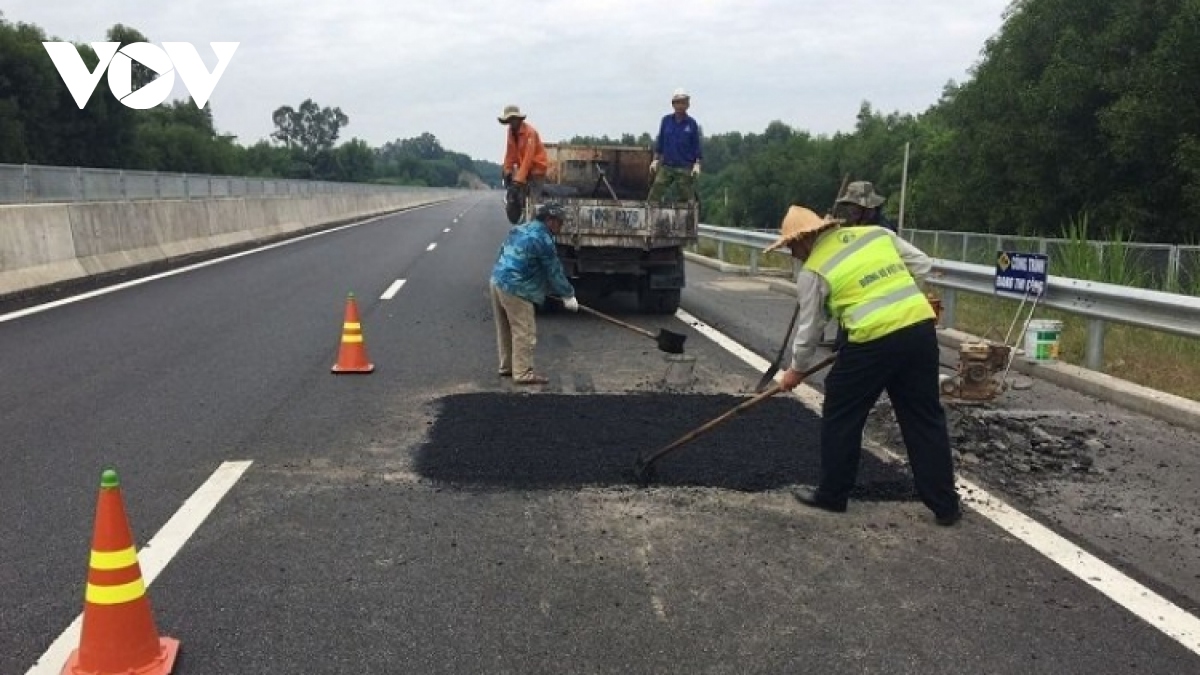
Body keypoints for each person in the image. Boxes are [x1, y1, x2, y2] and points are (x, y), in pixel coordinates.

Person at [764, 204, 962, 526]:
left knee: (842, 410)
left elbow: (810, 329)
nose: (793, 254)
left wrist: (796, 370)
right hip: (918, 331)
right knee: (924, 418)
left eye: (791, 247)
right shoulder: (876, 235)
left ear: (803, 240)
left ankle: (832, 494)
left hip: (872, 342)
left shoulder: (814, 270)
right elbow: (923, 266)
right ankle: (946, 506)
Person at [490, 201, 579, 385]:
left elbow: (501, 251)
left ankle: (507, 367)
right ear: (549, 220)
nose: (561, 226)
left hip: (497, 279)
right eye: (559, 222)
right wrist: (568, 295)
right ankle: (523, 373)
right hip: (516, 288)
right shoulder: (543, 239)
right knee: (525, 331)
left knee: (505, 328)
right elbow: (553, 271)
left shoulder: (521, 228)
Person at [647, 88, 702, 203]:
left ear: (687, 104)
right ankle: (650, 215)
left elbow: (696, 146)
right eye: (678, 102)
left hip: (684, 167)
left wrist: (697, 164)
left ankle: (689, 217)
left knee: (687, 198)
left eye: (683, 102)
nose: (680, 105)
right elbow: (660, 142)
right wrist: (655, 160)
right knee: (656, 191)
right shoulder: (666, 121)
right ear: (673, 104)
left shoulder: (691, 124)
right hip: (667, 165)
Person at [498, 104, 548, 217]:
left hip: (537, 169)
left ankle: (535, 223)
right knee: (517, 198)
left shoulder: (530, 133)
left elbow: (528, 159)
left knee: (534, 203)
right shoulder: (511, 132)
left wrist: (517, 181)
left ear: (518, 119)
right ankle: (523, 218)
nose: (511, 122)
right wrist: (507, 171)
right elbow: (510, 154)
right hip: (524, 171)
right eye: (509, 120)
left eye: (513, 119)